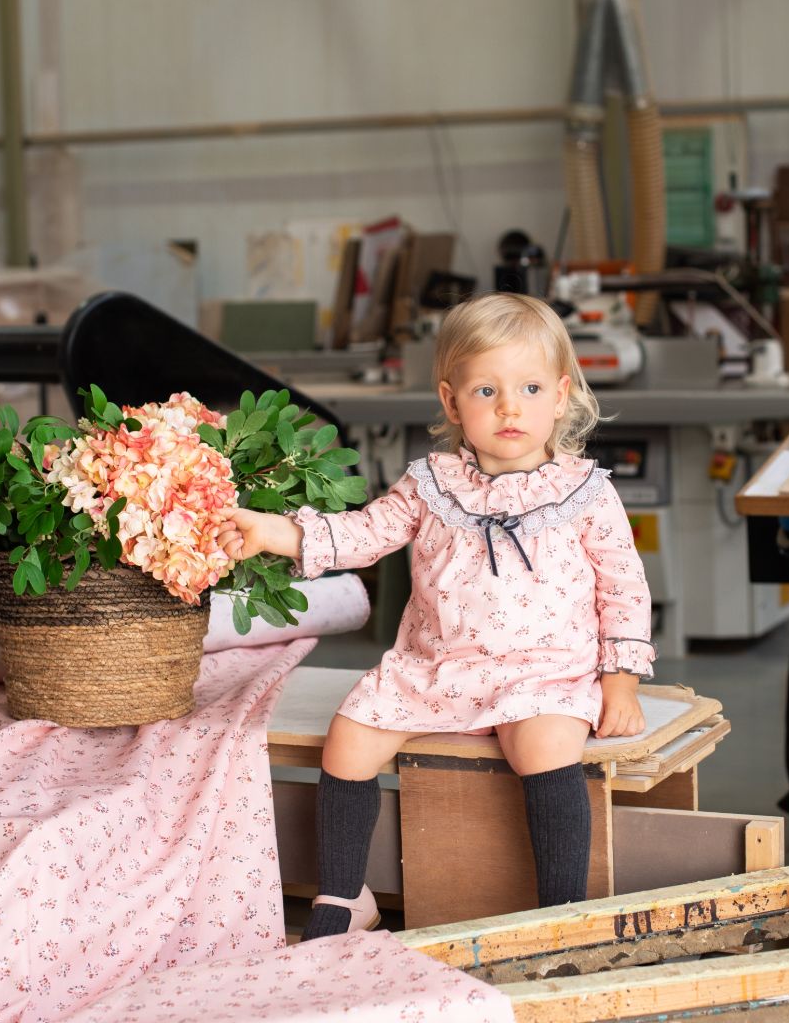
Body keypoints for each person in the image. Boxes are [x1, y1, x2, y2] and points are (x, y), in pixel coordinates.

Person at [218, 292, 655, 939]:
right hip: (435, 667)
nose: (509, 407)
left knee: (544, 749)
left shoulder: (585, 492)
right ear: (452, 403)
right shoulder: (430, 484)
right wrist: (277, 534)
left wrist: (620, 681)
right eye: (486, 390)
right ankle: (344, 896)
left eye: (530, 387)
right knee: (351, 736)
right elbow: (364, 533)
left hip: (543, 672)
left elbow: (624, 587)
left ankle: (562, 913)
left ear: (561, 397)